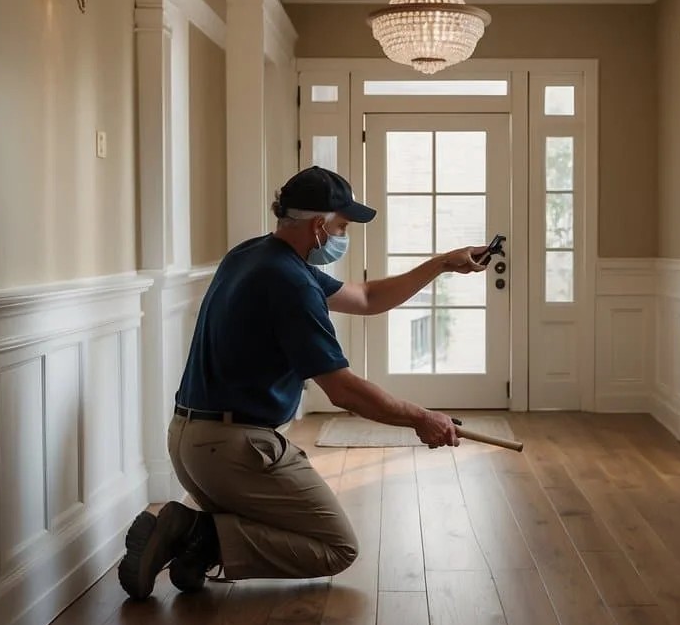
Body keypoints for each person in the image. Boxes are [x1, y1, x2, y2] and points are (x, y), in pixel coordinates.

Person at [119, 165, 487, 600]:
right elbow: (343, 390)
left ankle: (195, 545)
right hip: (231, 450)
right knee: (336, 547)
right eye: (342, 227)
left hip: (189, 440)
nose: (342, 237)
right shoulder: (289, 283)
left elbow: (367, 298)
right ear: (318, 227)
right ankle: (197, 533)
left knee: (294, 523)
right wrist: (421, 418)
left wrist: (443, 263)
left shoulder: (256, 255)